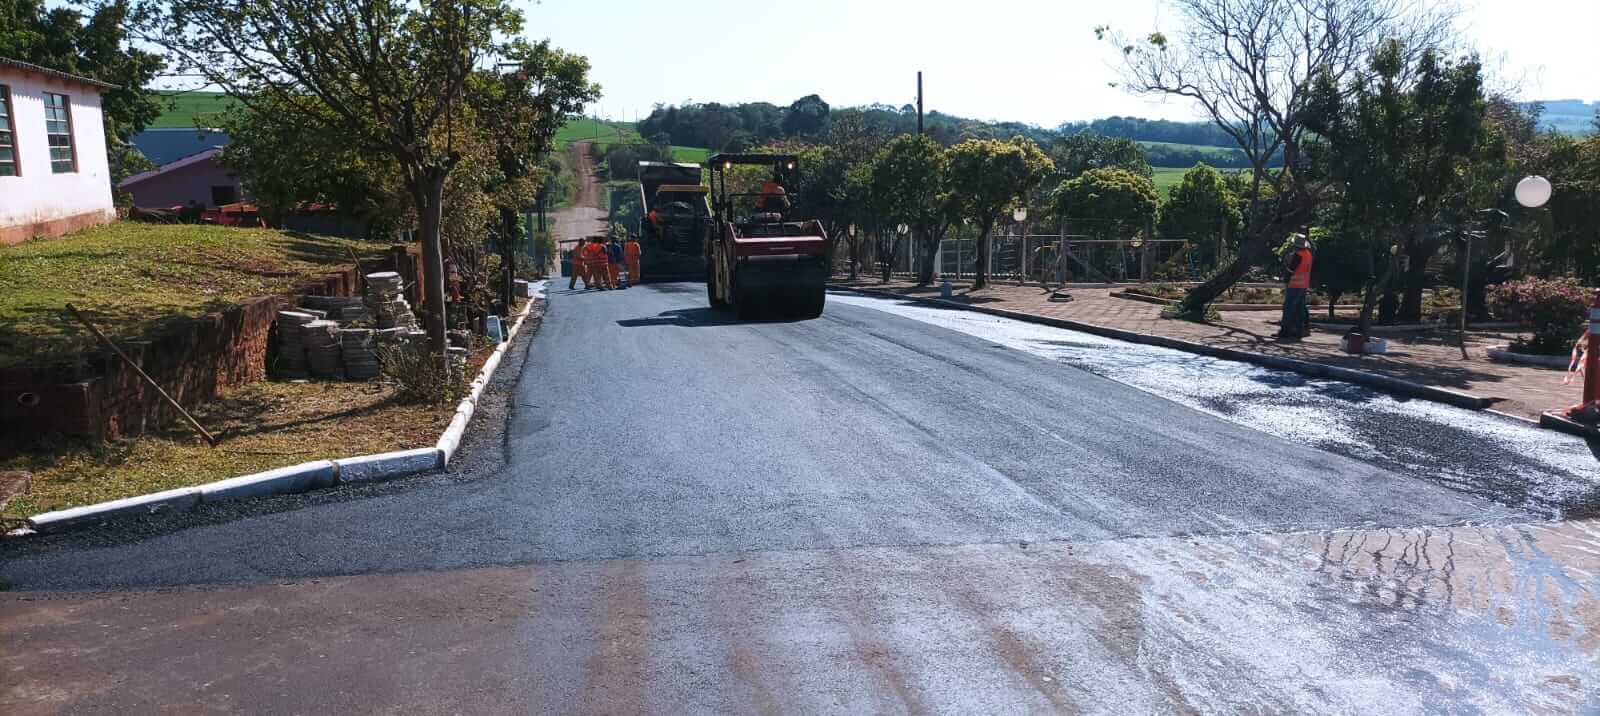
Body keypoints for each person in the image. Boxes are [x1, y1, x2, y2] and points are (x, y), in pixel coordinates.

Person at [1279, 234, 1313, 340]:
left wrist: (1285, 281)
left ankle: (1285, 332)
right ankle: (1299, 331)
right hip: (1303, 285)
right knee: (1300, 308)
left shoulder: (1297, 255)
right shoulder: (1308, 254)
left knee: (1288, 308)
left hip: (1294, 285)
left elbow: (1290, 270)